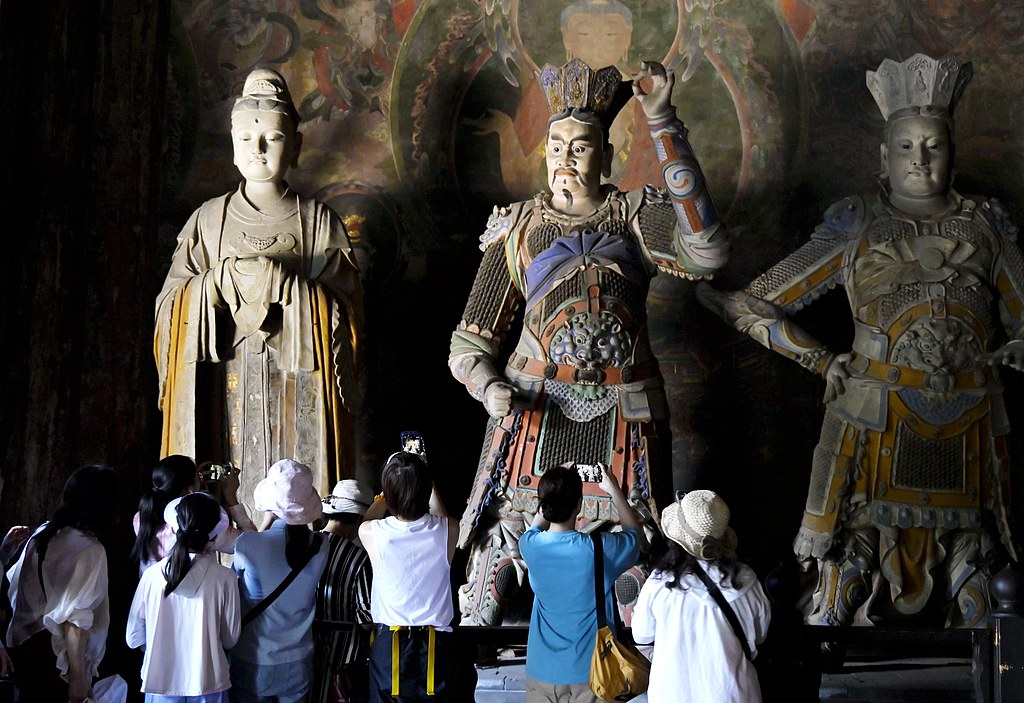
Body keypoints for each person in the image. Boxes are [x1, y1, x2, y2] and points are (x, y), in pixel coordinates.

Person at [697, 53, 1024, 627]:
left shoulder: (985, 226)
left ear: (952, 152)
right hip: (873, 420)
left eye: (933, 146)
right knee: (843, 584)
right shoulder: (858, 225)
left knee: (980, 592)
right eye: (906, 146)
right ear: (883, 155)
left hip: (969, 425)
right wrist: (821, 361)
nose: (920, 159)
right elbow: (748, 305)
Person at [451, 57, 729, 626]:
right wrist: (487, 386)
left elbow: (708, 253)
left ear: (608, 154)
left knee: (634, 571)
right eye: (556, 147)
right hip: (535, 408)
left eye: (580, 148)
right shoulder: (518, 229)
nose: (566, 159)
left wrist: (663, 122)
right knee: (492, 577)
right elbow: (468, 343)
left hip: (623, 408)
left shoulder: (634, 216)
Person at [154, 67, 364, 503]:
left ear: (296, 146)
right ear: (232, 146)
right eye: (247, 138)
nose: (259, 149)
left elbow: (348, 313)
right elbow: (169, 306)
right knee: (222, 476)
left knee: (295, 485)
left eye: (273, 137)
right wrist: (213, 286)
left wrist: (293, 290)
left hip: (295, 380)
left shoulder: (319, 222)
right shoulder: (208, 221)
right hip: (223, 380)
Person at [631, 490, 770, 703]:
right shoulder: (746, 581)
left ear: (676, 539)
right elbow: (759, 636)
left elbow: (642, 637)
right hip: (732, 696)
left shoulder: (658, 584)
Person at [518, 464, 642, 702]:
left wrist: (554, 487)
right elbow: (635, 536)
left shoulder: (529, 545)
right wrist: (614, 490)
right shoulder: (600, 548)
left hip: (541, 670)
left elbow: (536, 525)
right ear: (579, 504)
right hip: (592, 672)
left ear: (542, 503)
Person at [5, 464, 118, 702]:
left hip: (26, 647)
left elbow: (16, 588)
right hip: (56, 661)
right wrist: (78, 678)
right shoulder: (90, 549)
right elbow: (75, 623)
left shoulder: (42, 533)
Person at [358, 452, 458, 702]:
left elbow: (366, 519)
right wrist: (425, 480)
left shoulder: (373, 532)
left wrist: (387, 493)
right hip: (435, 645)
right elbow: (442, 517)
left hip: (389, 644)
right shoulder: (447, 530)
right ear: (426, 489)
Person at [127, 492, 242, 702]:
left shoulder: (151, 576)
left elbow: (133, 638)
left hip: (160, 684)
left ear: (173, 528)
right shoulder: (225, 578)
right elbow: (230, 639)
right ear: (214, 535)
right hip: (209, 682)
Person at [230, 459, 329, 702]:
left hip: (254, 660)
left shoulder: (249, 544)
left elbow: (240, 574)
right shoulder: (321, 545)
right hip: (299, 662)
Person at [131, 454, 256, 574]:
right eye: (197, 477)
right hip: (198, 587)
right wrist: (231, 497)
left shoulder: (142, 517)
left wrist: (197, 490)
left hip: (152, 588)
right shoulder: (199, 524)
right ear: (188, 490)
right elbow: (251, 544)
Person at [312, 479, 374, 703]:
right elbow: (366, 619)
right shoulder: (358, 557)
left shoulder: (306, 544)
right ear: (358, 520)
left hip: (303, 646)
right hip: (343, 657)